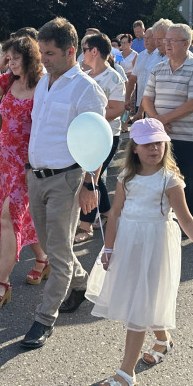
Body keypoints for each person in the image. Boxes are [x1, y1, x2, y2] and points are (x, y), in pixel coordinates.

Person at [89, 119, 193, 386]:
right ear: (135, 148)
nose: (154, 148)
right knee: (141, 296)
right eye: (147, 143)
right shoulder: (127, 174)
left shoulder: (170, 180)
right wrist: (109, 248)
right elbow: (114, 213)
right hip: (129, 242)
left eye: (159, 142)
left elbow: (186, 220)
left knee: (139, 303)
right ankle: (163, 340)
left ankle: (126, 373)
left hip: (155, 245)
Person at [19, 18, 106, 350]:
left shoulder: (86, 89)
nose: (44, 59)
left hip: (66, 179)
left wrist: (89, 184)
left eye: (51, 53)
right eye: (41, 52)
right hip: (36, 176)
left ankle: (44, 318)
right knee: (53, 247)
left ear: (72, 51)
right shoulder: (44, 82)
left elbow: (98, 141)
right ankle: (80, 282)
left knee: (57, 250)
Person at [0, 36, 47, 308]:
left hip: (28, 164)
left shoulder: (43, 85)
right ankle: (43, 259)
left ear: (29, 58)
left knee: (8, 217)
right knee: (21, 218)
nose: (11, 63)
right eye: (8, 58)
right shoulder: (7, 81)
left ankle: (1, 282)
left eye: (15, 58)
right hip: (6, 162)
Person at [141, 22, 193, 225]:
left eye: (172, 41)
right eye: (165, 40)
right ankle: (165, 219)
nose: (167, 44)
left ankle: (189, 222)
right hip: (161, 137)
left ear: (186, 43)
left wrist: (162, 120)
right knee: (160, 179)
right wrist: (157, 122)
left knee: (186, 180)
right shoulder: (158, 68)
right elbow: (147, 99)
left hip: (186, 137)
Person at [74, 33, 125, 243]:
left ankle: (85, 226)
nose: (81, 53)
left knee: (90, 177)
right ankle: (105, 211)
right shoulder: (82, 74)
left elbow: (118, 108)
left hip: (107, 135)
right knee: (94, 173)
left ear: (94, 51)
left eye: (84, 49)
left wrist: (89, 117)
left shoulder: (114, 78)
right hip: (83, 134)